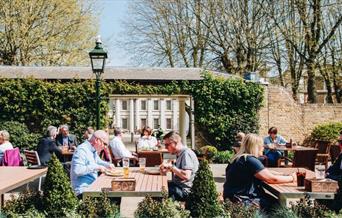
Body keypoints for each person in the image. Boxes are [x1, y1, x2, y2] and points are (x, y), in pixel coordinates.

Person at [223, 133, 296, 210]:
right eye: (262, 145)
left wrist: (283, 175)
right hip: (243, 201)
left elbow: (263, 171)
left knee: (275, 201)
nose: (263, 148)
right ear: (255, 146)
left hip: (232, 198)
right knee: (281, 207)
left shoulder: (238, 158)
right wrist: (292, 178)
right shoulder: (250, 160)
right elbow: (272, 179)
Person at [70, 130, 115, 197]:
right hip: (83, 191)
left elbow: (98, 161)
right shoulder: (82, 150)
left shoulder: (92, 150)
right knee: (114, 196)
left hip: (92, 186)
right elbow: (77, 170)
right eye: (104, 144)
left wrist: (108, 165)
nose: (105, 147)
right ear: (97, 140)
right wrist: (97, 167)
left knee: (115, 192)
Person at [159, 131, 199, 201]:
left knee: (158, 193)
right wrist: (166, 169)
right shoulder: (180, 153)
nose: (165, 148)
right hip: (178, 186)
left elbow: (186, 176)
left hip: (185, 190)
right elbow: (179, 171)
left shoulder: (186, 154)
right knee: (158, 187)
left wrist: (171, 167)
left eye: (167, 145)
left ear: (176, 142)